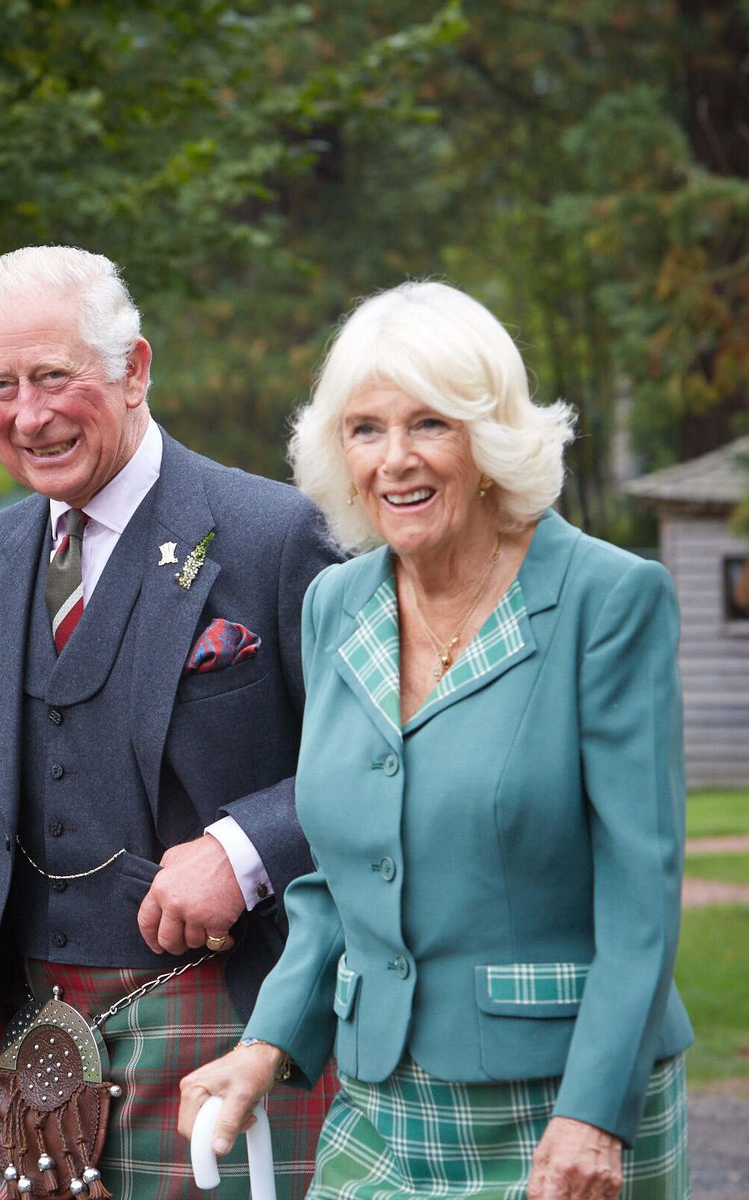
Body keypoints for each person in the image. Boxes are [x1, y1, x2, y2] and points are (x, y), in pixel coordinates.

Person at [178, 281, 694, 1200]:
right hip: (380, 1102)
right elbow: (340, 871)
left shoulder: (608, 601)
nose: (395, 460)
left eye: (430, 425)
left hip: (563, 1107)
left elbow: (639, 891)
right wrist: (266, 1044)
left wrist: (594, 1111)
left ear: (490, 439)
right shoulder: (336, 602)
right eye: (366, 429)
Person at [0, 245, 340, 1199]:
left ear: (135, 369)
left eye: (55, 377)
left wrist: (246, 848)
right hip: (25, 1026)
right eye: (2, 386)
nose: (29, 414)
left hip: (218, 1023)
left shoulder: (275, 534)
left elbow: (377, 762)